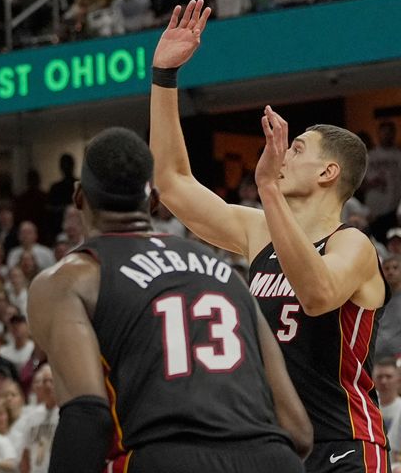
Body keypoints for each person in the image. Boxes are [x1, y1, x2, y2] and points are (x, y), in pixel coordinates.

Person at [150, 0, 388, 473]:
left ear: (327, 172)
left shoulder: (353, 245)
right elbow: (172, 183)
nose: (280, 155)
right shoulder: (260, 229)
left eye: (295, 149)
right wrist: (163, 77)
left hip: (345, 444)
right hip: (276, 447)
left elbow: (317, 294)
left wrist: (267, 190)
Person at [28, 127, 312, 473]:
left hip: (165, 458)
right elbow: (298, 430)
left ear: (78, 198)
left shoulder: (70, 279)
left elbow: (88, 415)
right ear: (153, 201)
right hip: (272, 459)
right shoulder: (223, 271)